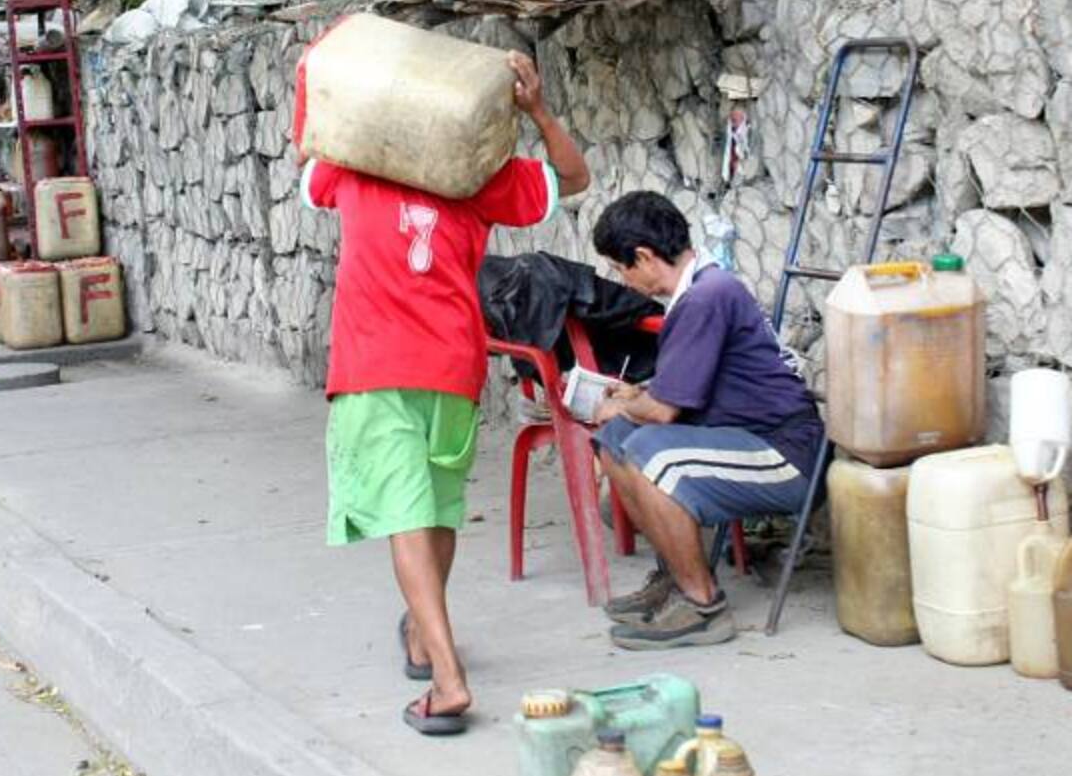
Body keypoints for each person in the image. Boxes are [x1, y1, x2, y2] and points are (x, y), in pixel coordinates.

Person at [300, 51, 589, 735]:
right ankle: (423, 637)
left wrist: (335, 71)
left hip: (376, 363)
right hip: (452, 361)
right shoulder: (477, 176)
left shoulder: (353, 162)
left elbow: (311, 147)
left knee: (405, 517)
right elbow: (573, 178)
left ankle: (449, 677)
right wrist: (536, 109)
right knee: (436, 512)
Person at [591, 191, 823, 649]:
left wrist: (623, 402)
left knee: (644, 446)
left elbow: (663, 411)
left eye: (622, 268)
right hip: (745, 440)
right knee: (615, 438)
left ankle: (701, 604)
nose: (623, 278)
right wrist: (633, 399)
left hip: (786, 453)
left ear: (644, 256)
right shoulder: (701, 291)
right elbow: (675, 389)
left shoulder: (705, 297)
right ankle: (675, 577)